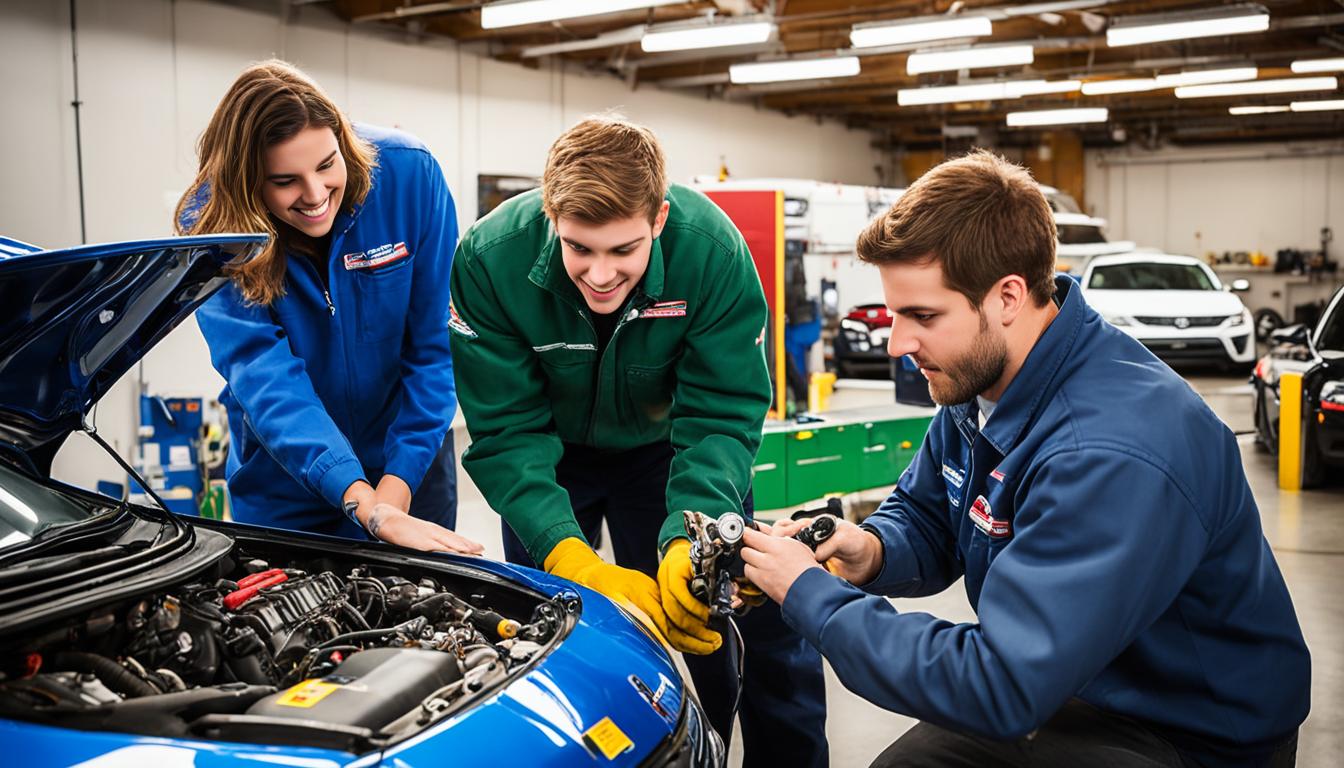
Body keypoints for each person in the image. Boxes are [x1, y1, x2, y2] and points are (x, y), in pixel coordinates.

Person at [740, 150, 1311, 768]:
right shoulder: (985, 380)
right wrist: (871, 549)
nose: (899, 344)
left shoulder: (1112, 451)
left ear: (1008, 296)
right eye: (895, 314)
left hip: (1188, 733)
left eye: (923, 316)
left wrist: (808, 594)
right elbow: (932, 513)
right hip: (1074, 686)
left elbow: (1000, 685)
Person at [448, 116, 828, 766]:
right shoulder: (489, 260)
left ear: (657, 217)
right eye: (579, 248)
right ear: (550, 216)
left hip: (668, 458)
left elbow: (720, 414)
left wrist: (688, 532)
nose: (600, 274)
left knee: (705, 631)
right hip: (551, 463)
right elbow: (507, 431)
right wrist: (569, 556)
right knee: (545, 636)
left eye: (623, 250)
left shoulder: (712, 252)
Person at [176, 60, 480, 554]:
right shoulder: (213, 225)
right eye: (284, 181)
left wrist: (392, 495)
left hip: (411, 465)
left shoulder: (408, 175)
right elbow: (263, 376)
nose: (315, 195)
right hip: (288, 483)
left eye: (326, 165)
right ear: (247, 182)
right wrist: (361, 500)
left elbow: (436, 348)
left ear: (342, 139)